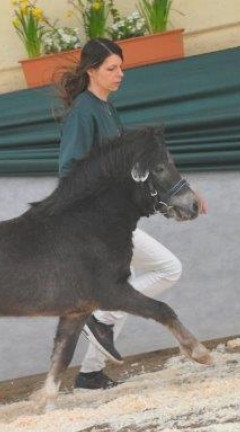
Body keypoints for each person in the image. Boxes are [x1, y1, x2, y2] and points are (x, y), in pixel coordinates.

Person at [56, 38, 207, 390]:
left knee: (126, 285)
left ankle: (91, 373)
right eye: (111, 68)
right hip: (95, 224)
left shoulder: (107, 108)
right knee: (167, 268)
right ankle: (102, 316)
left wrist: (183, 190)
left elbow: (137, 166)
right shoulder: (83, 112)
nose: (119, 74)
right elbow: (69, 171)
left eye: (121, 67)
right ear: (91, 70)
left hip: (114, 220)